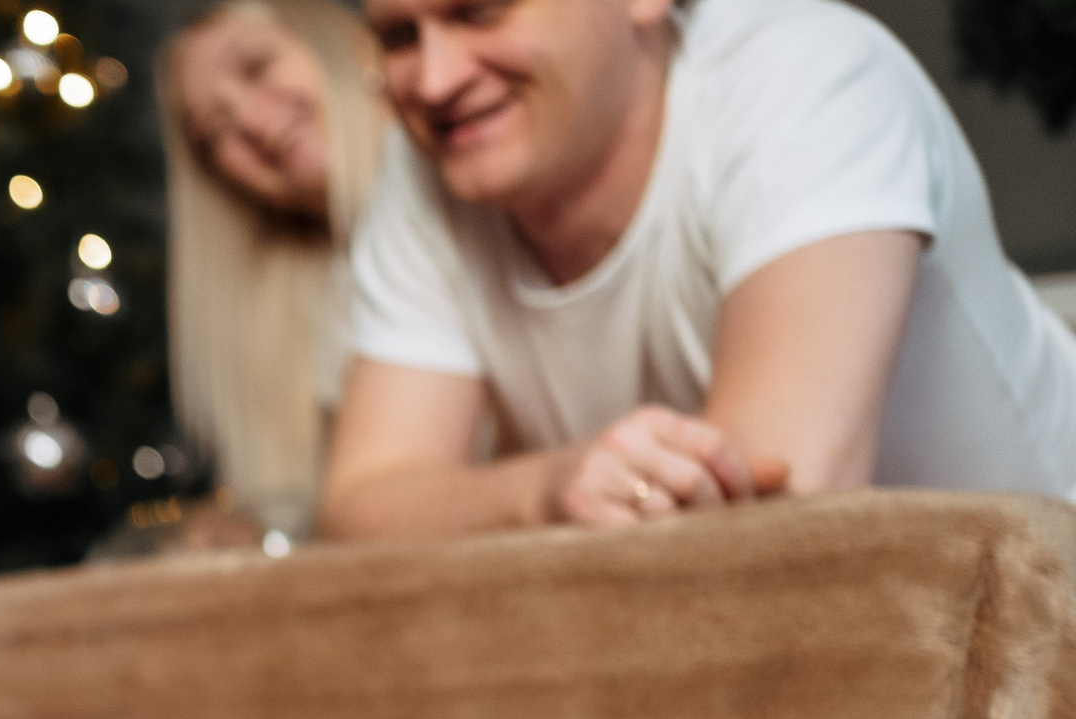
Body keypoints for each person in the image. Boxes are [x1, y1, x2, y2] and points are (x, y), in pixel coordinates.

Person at [317, 0, 1076, 538]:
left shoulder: (804, 74)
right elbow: (362, 510)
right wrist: (547, 491)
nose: (434, 81)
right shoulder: (431, 166)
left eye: (481, 12)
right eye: (399, 37)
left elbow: (777, 516)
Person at [162, 0, 392, 539]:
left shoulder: (482, 198)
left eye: (257, 67)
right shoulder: (300, 308)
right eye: (213, 131)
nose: (249, 121)